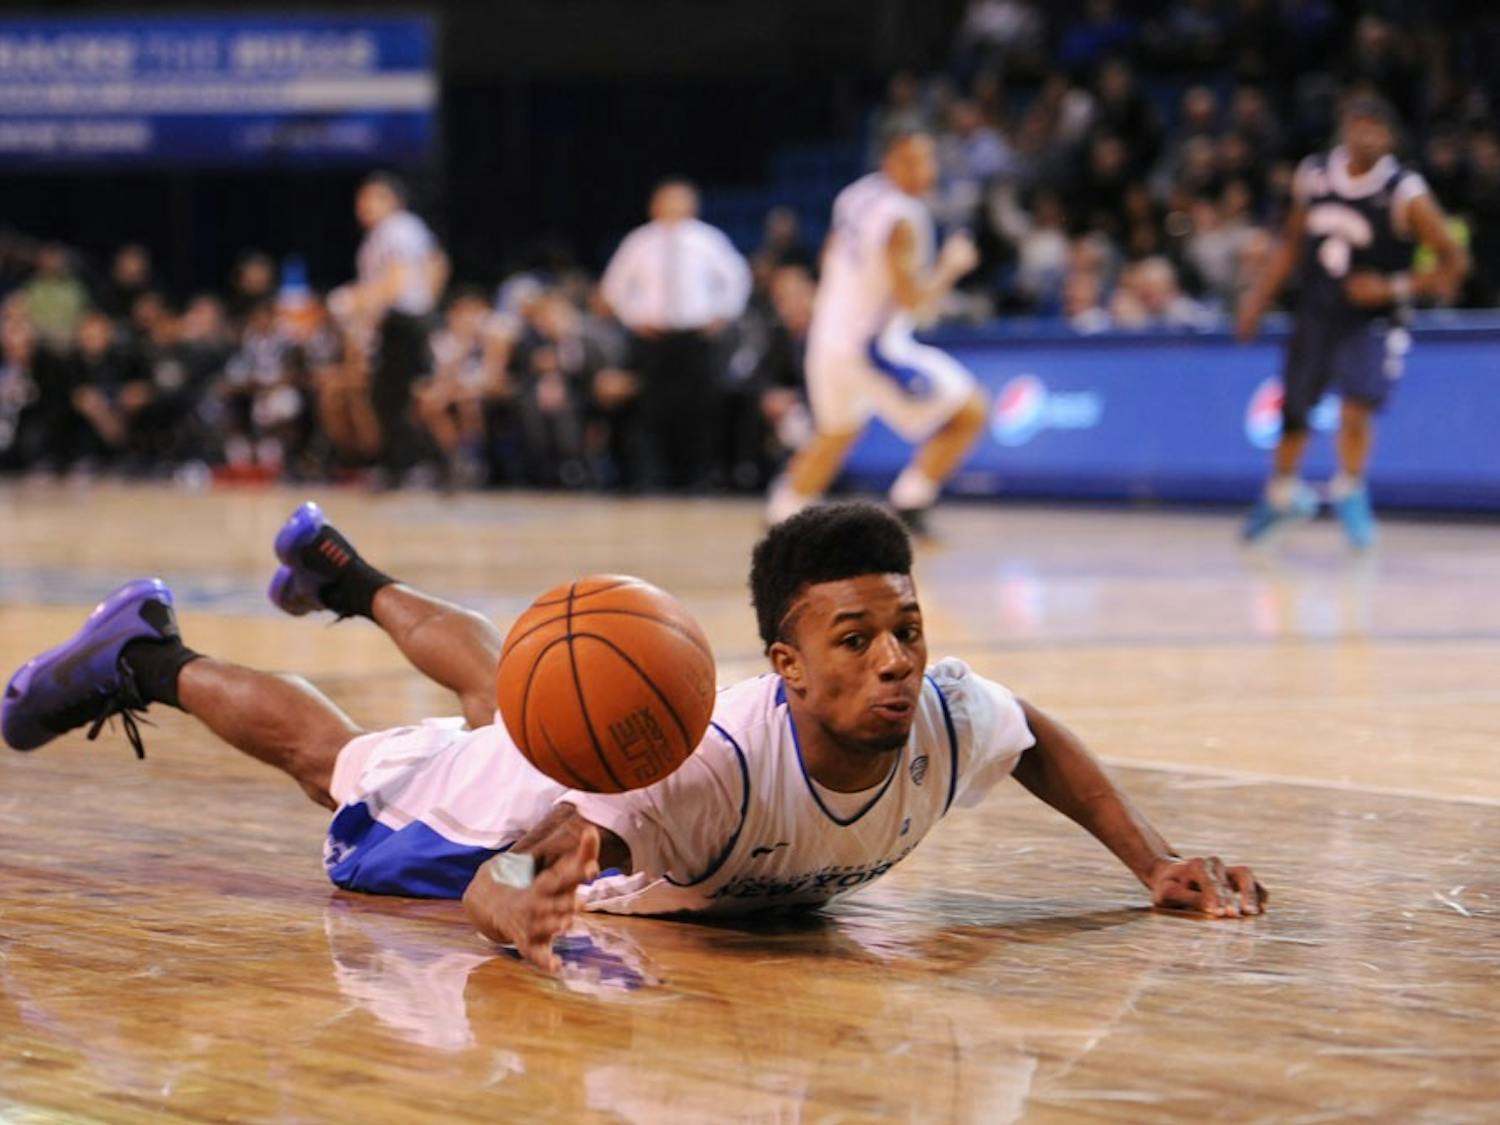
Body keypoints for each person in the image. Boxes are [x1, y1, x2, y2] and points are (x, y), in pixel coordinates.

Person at [3, 501, 1264, 974]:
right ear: (785, 662)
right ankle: (145, 655)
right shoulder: (703, 773)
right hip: (529, 793)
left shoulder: (945, 712)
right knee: (343, 767)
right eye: (856, 640)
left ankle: (348, 575)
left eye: (908, 629)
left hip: (602, 735)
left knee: (519, 681)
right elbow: (529, 862)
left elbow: (1035, 735)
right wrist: (510, 913)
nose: (894, 660)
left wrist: (1150, 862)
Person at [1236, 95, 1468, 548]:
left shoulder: (1405, 191)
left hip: (1373, 316)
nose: (1364, 134)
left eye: (1374, 127)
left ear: (1390, 136)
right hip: (1317, 308)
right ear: (1343, 127)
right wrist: (1257, 298)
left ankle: (1351, 491)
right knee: (1295, 409)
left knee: (1356, 408)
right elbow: (1291, 243)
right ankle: (1282, 494)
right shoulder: (1316, 173)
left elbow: (1454, 261)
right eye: (1356, 124)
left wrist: (1391, 287)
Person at [767, 130, 990, 533]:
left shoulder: (854, 195)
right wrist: (952, 265)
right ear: (889, 162)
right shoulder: (903, 218)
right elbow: (914, 303)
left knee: (836, 433)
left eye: (928, 159)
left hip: (827, 338)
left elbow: (830, 253)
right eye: (914, 161)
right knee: (971, 411)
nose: (926, 170)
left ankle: (781, 514)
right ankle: (910, 502)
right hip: (871, 348)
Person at [599, 178, 751, 491]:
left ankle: (697, 477)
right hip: (653, 339)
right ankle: (654, 476)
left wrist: (722, 315)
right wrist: (634, 318)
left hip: (696, 337)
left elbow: (737, 278)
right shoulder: (639, 242)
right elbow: (613, 287)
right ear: (654, 205)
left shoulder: (708, 240)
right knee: (652, 410)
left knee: (698, 410)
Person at [331, 172, 448, 483]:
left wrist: (352, 300)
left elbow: (395, 281)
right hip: (400, 321)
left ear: (390, 200)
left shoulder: (398, 228)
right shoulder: (385, 234)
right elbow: (438, 262)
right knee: (389, 395)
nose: (361, 206)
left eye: (369, 198)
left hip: (406, 321)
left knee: (412, 396)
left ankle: (434, 464)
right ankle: (407, 464)